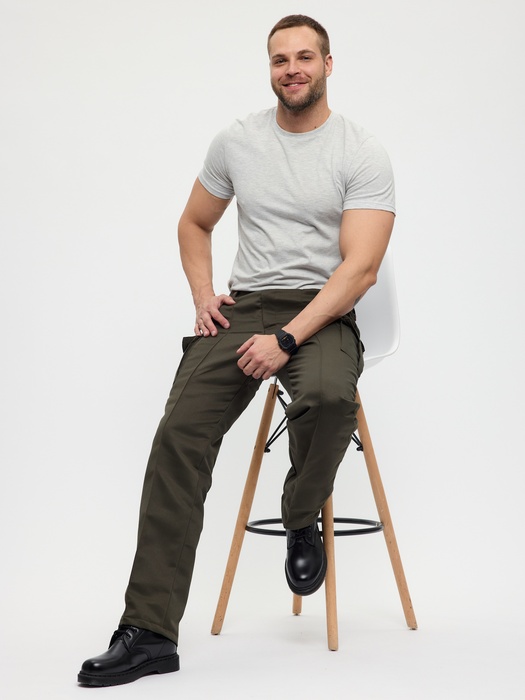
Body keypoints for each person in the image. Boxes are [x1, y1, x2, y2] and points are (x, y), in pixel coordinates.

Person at [78, 14, 395, 687]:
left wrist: (287, 339)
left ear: (328, 64)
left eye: (304, 57)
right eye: (280, 59)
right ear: (269, 68)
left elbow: (361, 269)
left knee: (327, 396)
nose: (291, 69)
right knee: (178, 435)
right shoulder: (238, 142)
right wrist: (204, 296)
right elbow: (195, 223)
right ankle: (148, 632)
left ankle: (300, 514)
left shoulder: (361, 151)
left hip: (322, 310)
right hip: (245, 306)